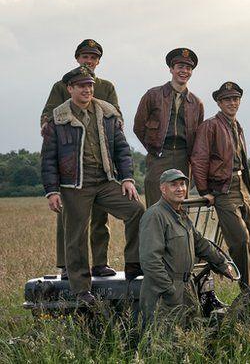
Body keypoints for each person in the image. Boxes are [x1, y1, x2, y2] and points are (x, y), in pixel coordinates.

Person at [40, 66, 145, 304]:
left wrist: (127, 178)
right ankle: (80, 289)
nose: (87, 90)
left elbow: (122, 149)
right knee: (75, 234)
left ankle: (133, 264)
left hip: (105, 180)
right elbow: (48, 159)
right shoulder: (57, 119)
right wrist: (52, 191)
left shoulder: (108, 113)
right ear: (70, 89)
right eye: (81, 86)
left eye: (90, 85)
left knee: (136, 210)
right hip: (74, 185)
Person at [40, 39, 118, 277]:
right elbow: (48, 115)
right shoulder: (62, 85)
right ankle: (66, 265)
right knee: (69, 219)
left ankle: (100, 262)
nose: (89, 61)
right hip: (71, 164)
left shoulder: (106, 87)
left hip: (99, 161)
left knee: (99, 216)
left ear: (98, 61)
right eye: (85, 56)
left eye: (93, 57)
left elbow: (117, 116)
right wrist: (50, 131)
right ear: (77, 58)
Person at [190, 81, 250, 288]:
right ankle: (247, 289)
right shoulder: (210, 125)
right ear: (219, 102)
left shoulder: (237, 125)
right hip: (223, 187)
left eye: (235, 99)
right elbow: (199, 158)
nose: (232, 103)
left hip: (241, 185)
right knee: (240, 239)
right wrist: (205, 190)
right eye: (227, 100)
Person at [139, 169, 233, 324]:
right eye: (173, 185)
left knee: (189, 339)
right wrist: (169, 290)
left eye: (182, 184)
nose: (180, 189)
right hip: (164, 293)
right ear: (163, 189)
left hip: (187, 286)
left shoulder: (181, 215)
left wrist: (222, 264)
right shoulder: (155, 215)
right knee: (165, 341)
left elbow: (201, 244)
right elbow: (150, 261)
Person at [134, 48, 205, 207]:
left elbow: (199, 137)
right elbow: (138, 127)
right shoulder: (152, 95)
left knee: (180, 206)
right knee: (155, 205)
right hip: (159, 156)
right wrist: (154, 148)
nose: (184, 71)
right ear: (171, 69)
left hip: (183, 158)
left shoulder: (197, 103)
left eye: (188, 68)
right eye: (180, 67)